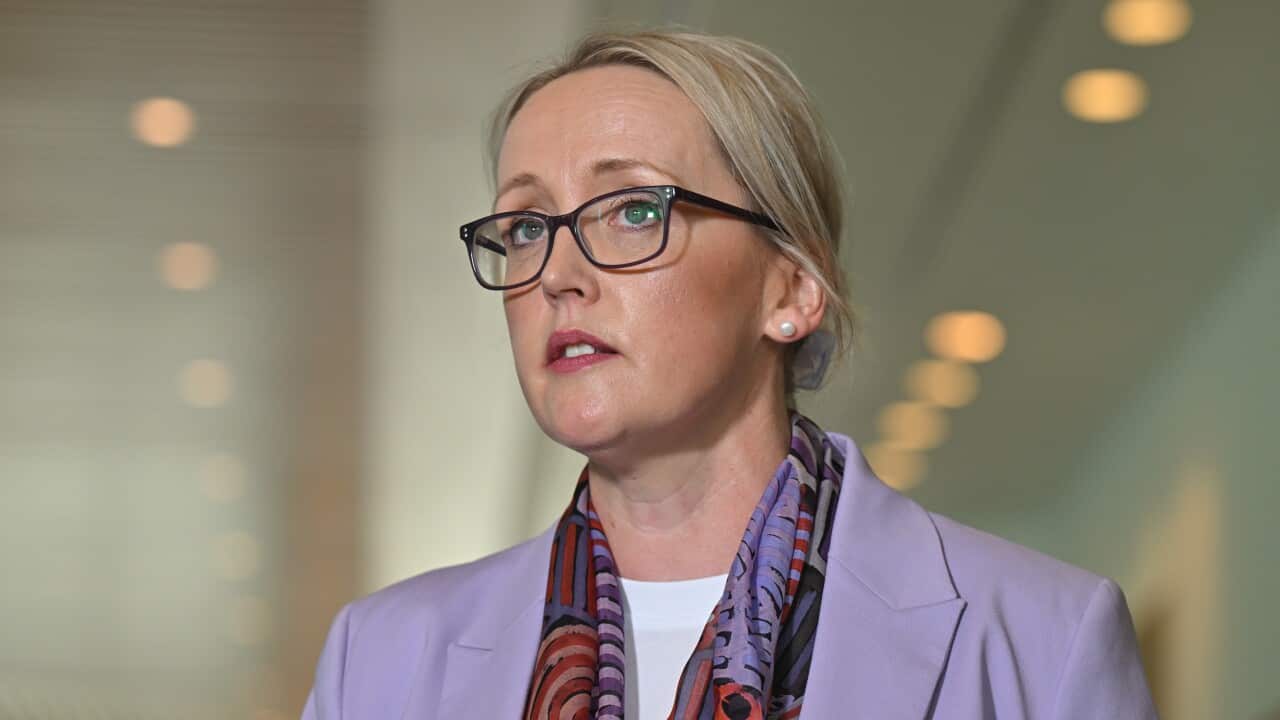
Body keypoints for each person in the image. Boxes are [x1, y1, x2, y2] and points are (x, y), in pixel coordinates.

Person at [302, 29, 1157, 719]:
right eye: (525, 227)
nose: (558, 273)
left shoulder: (1044, 640)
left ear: (792, 288)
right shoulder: (377, 660)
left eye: (633, 210)